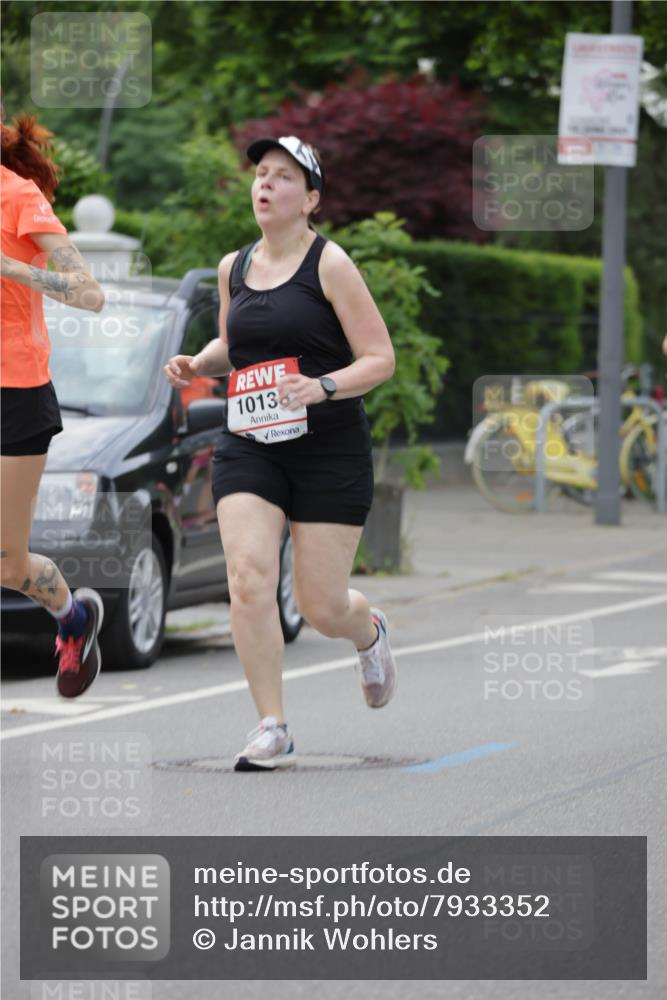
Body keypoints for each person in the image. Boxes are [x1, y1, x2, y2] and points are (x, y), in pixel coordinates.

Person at [164, 135, 397, 771]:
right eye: (261, 174)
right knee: (248, 577)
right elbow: (235, 343)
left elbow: (380, 359)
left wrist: (321, 387)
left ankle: (367, 632)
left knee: (322, 607)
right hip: (250, 443)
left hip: (327, 449)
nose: (265, 184)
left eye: (283, 177)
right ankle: (273, 726)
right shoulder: (232, 266)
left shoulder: (331, 265)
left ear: (311, 199)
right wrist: (198, 361)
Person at [1, 109, 106, 697]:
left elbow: (90, 293)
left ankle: (74, 618)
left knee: (7, 568)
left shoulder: (18, 197)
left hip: (15, 394)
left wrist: (10, 267)